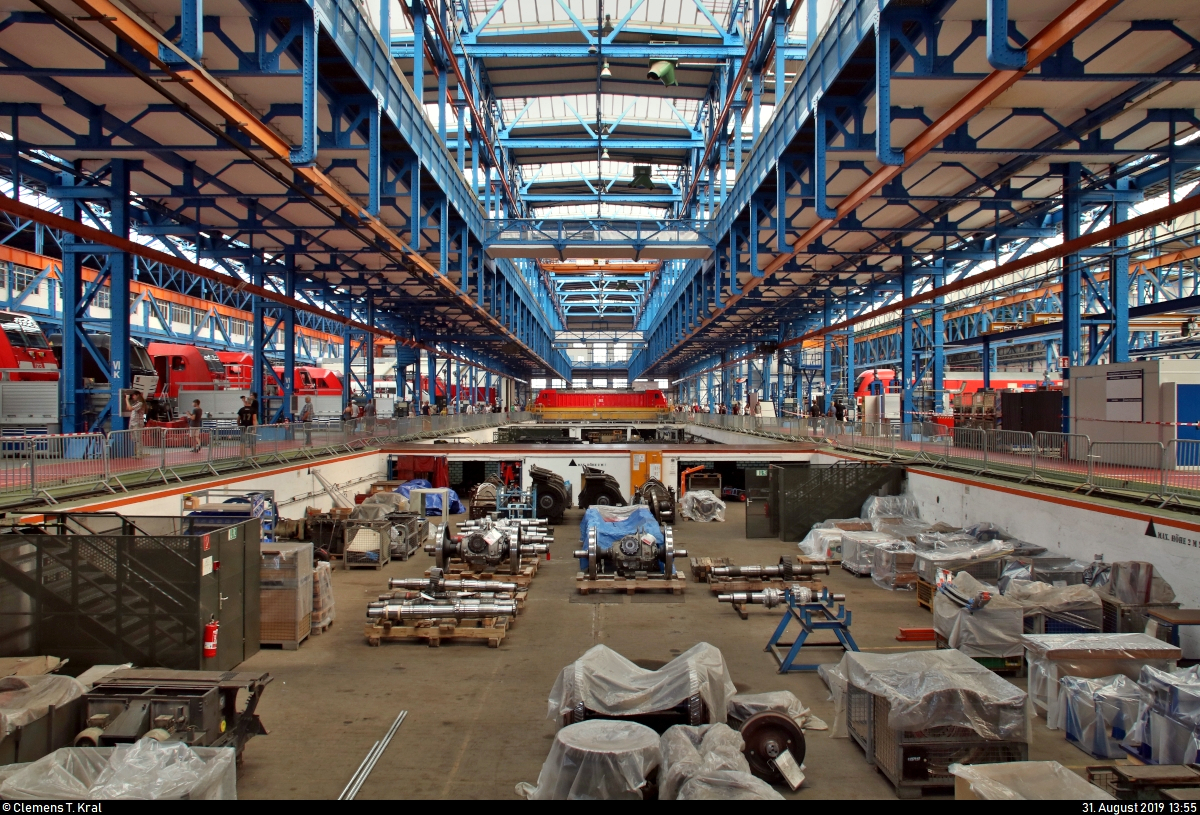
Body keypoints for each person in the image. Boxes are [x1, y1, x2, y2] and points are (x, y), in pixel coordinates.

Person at [126, 391, 147, 458]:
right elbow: (128, 407)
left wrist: (127, 399)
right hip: (133, 423)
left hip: (137, 423)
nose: (133, 397)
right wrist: (128, 400)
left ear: (137, 395)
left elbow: (130, 408)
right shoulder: (136, 403)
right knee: (134, 439)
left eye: (133, 395)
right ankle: (137, 453)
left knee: (138, 439)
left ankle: (139, 454)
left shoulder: (140, 403)